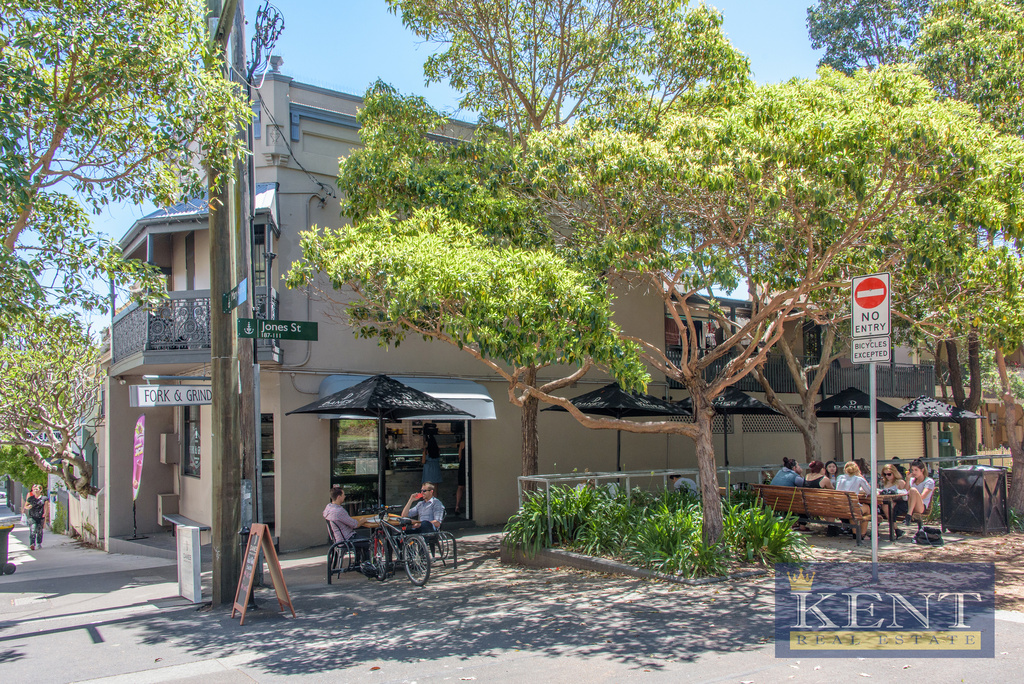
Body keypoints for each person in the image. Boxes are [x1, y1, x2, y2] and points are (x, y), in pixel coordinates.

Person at [323, 486, 371, 559]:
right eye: (343, 495)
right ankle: (366, 563)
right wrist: (363, 520)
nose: (345, 496)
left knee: (360, 540)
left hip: (337, 539)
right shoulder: (339, 511)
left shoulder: (328, 507)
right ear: (339, 497)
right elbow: (355, 525)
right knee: (369, 542)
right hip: (346, 539)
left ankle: (358, 561)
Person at [836, 461, 872, 539]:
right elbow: (869, 492)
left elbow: (837, 490)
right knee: (866, 508)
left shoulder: (840, 477)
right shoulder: (859, 479)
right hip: (852, 508)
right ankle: (862, 534)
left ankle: (855, 533)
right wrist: (862, 478)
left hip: (840, 507)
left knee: (853, 510)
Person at [878, 464, 908, 538]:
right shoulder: (883, 482)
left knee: (886, 506)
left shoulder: (899, 482)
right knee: (877, 507)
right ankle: (896, 530)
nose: (887, 476)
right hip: (885, 503)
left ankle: (895, 529)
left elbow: (905, 494)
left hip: (899, 504)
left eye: (889, 474)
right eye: (885, 474)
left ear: (894, 473)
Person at [906, 459, 935, 523]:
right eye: (912, 470)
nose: (914, 472)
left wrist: (914, 493)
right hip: (909, 504)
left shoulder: (929, 481)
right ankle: (908, 515)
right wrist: (907, 480)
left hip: (921, 506)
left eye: (916, 470)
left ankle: (909, 514)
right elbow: (905, 492)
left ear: (922, 470)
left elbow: (923, 496)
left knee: (913, 490)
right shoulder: (911, 480)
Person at [22, 484, 49, 551]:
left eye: (37, 489)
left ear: (40, 490)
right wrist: (28, 507)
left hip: (40, 516)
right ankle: (32, 544)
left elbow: (46, 506)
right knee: (33, 530)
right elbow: (25, 506)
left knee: (39, 530)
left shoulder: (44, 498)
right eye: (34, 489)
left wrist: (45, 513)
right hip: (32, 516)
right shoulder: (30, 498)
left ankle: (39, 543)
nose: (35, 491)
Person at [454, 438, 467, 516]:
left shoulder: (462, 443)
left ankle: (457, 505)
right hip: (471, 466)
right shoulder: (474, 442)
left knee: (460, 487)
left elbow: (460, 456)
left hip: (462, 466)